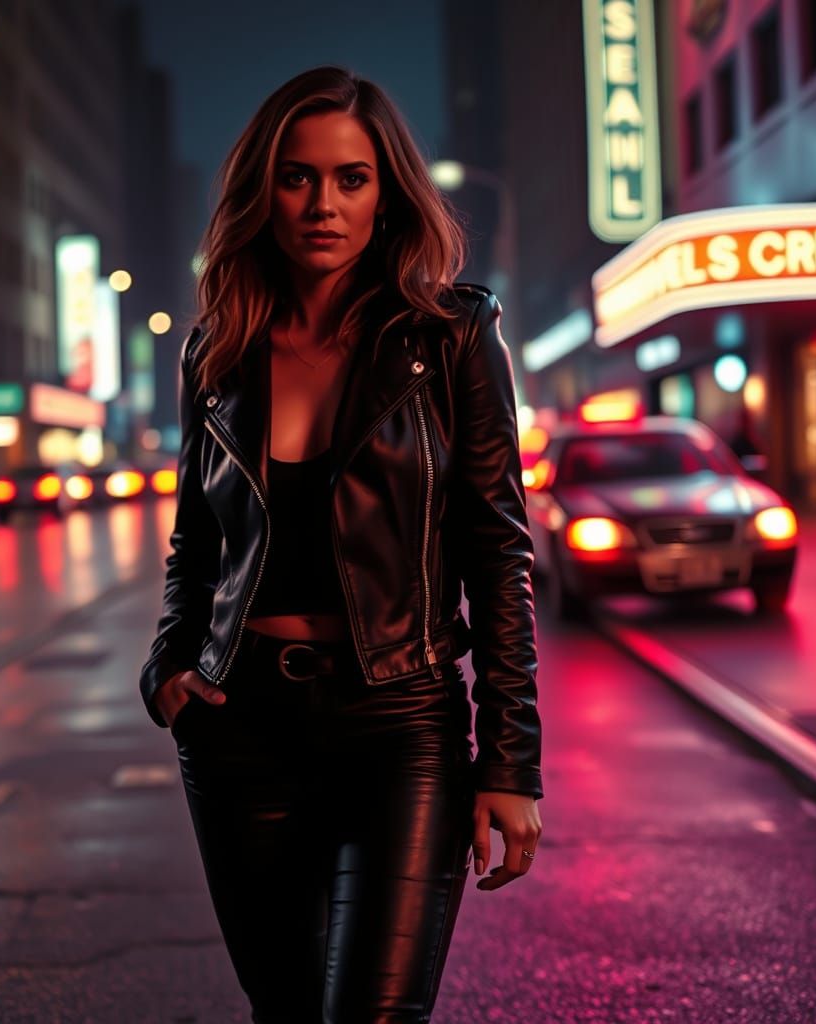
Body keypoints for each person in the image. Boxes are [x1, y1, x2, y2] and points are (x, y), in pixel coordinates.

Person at [139, 66, 543, 1024]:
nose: (324, 204)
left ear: (386, 192)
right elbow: (196, 543)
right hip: (239, 727)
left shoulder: (450, 333)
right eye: (297, 177)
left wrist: (510, 760)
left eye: (351, 178)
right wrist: (167, 664)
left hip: (400, 722)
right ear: (262, 191)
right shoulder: (217, 346)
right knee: (283, 1011)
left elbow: (497, 548)